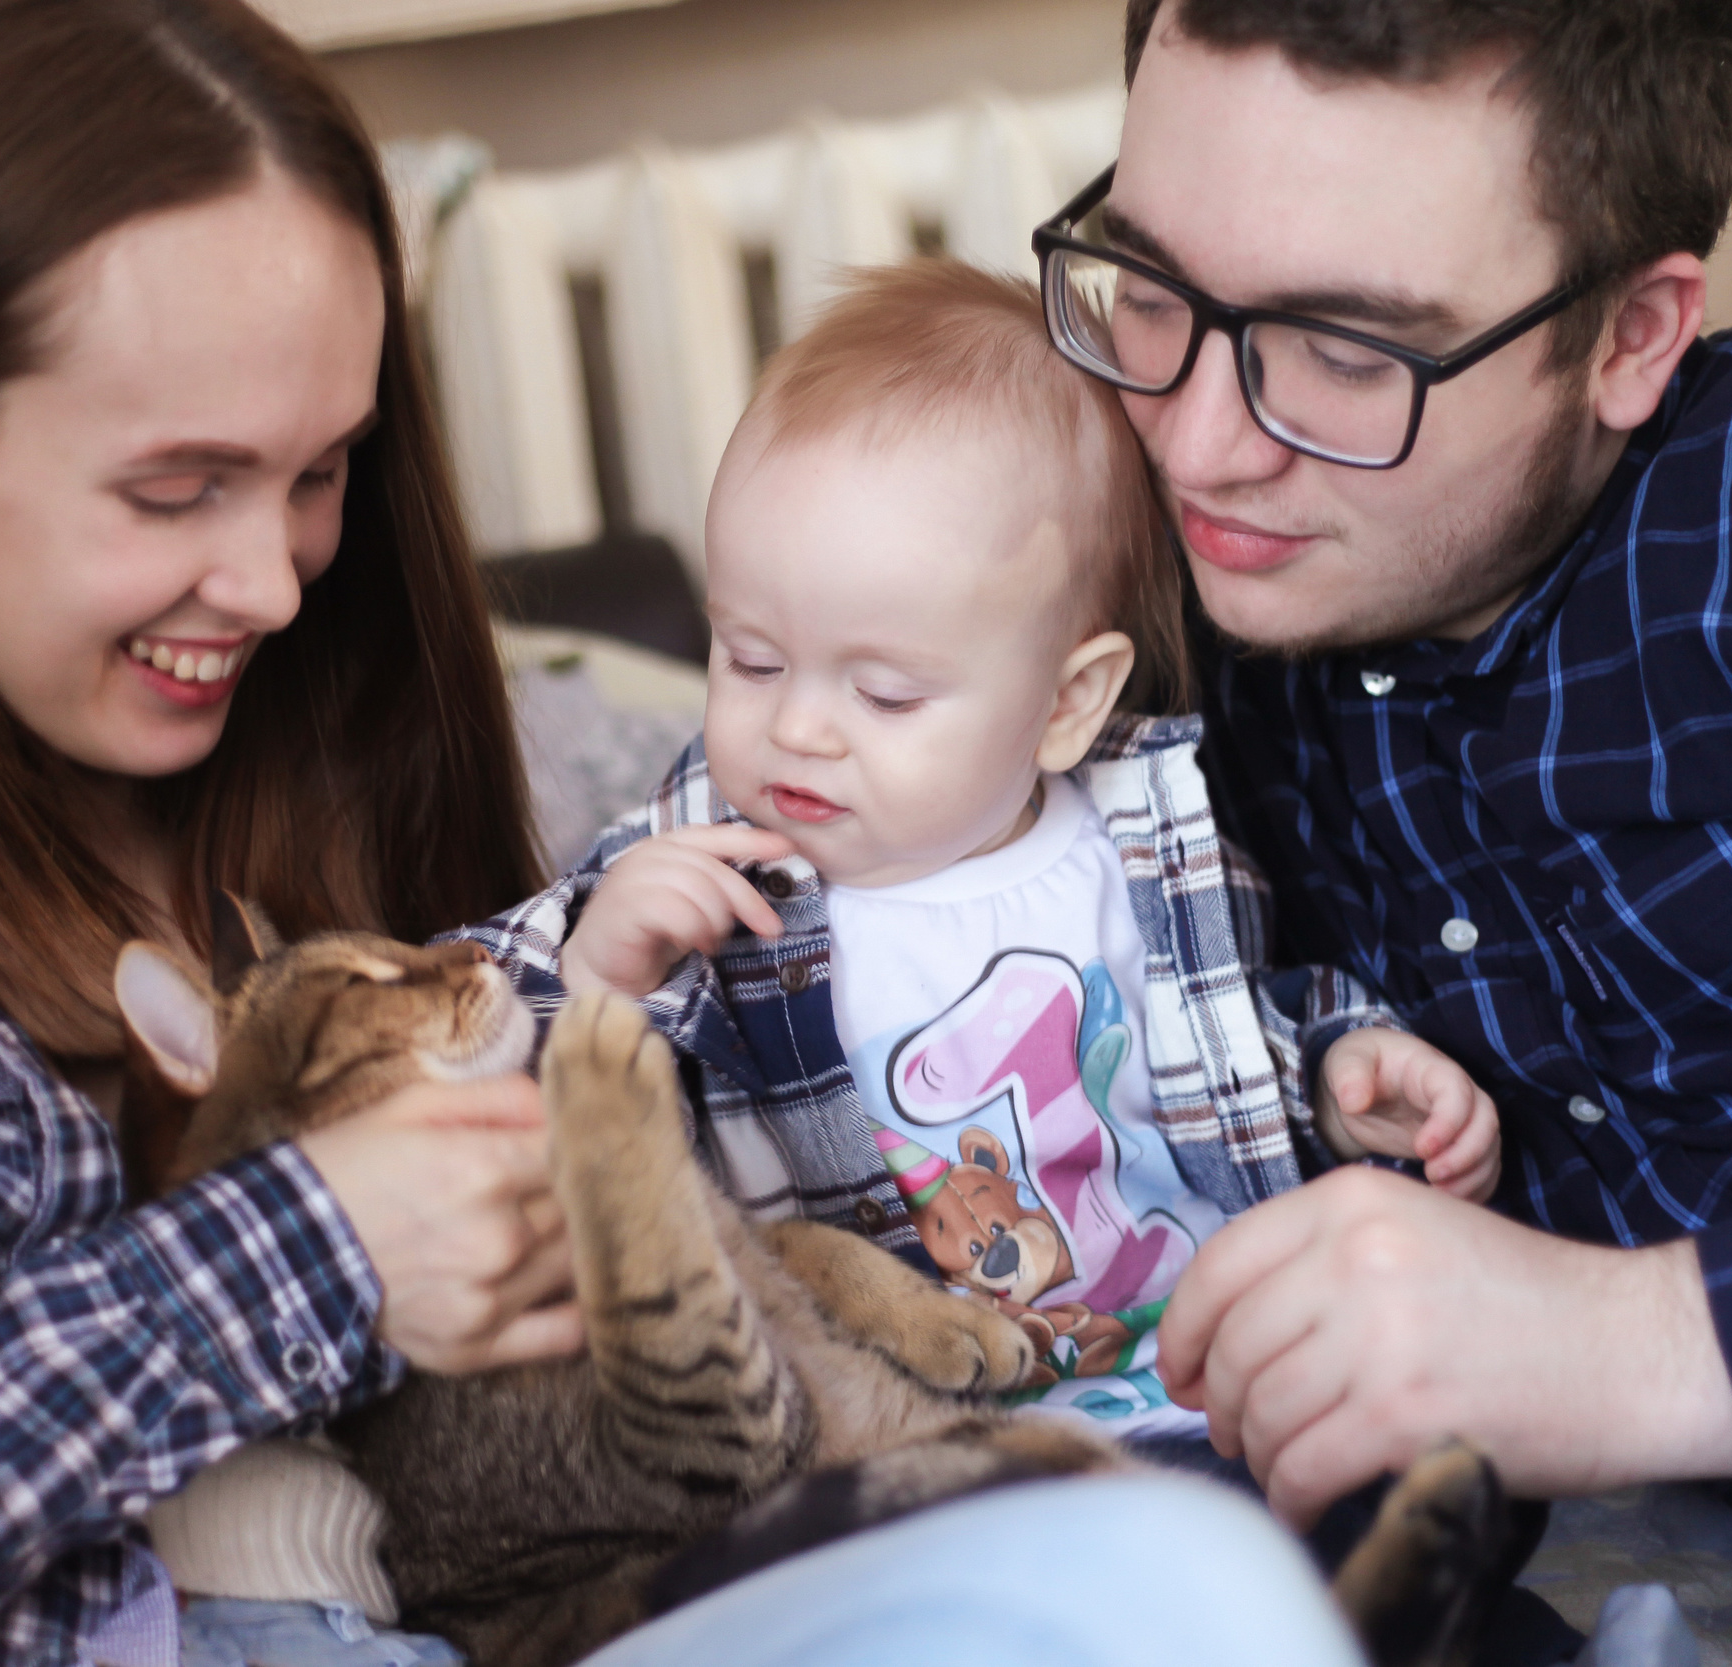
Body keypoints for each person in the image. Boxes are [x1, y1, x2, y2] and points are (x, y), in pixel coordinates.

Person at [0, 2, 1373, 1662]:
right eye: (174, 485)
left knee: (1169, 1583)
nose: (273, 580)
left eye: (322, 469)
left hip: (545, 1584)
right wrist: (310, 1246)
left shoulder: (322, 731)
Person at [1038, 0, 1732, 1651]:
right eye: (1157, 283)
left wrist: (1638, 1348)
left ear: (1632, 335)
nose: (1197, 442)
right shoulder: (1189, 604)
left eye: (1349, 351)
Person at [466, 259, 1502, 1440]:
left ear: (1066, 703)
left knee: (1401, 1488)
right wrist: (601, 978)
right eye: (749, 658)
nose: (795, 725)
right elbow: (464, 1037)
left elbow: (1229, 1039)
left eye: (888, 693)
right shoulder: (698, 860)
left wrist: (1336, 1071)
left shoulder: (1139, 841)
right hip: (907, 1430)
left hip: (1203, 1378)